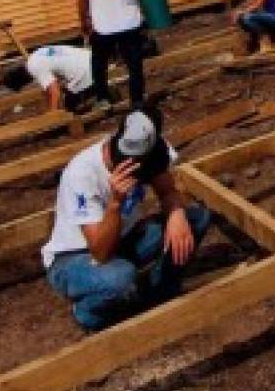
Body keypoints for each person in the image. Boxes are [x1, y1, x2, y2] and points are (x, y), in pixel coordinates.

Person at [41, 109, 211, 331]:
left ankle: (159, 290)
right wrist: (115, 203)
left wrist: (176, 213)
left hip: (124, 239)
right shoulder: (81, 175)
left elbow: (167, 190)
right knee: (120, 278)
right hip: (75, 257)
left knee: (195, 218)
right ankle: (87, 314)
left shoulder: (148, 147)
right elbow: (100, 253)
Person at [1, 45, 104, 115]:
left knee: (69, 107)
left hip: (86, 71)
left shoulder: (34, 67)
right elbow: (50, 89)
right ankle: (96, 95)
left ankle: (96, 101)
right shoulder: (35, 56)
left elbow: (54, 92)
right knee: (67, 93)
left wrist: (52, 116)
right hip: (90, 57)